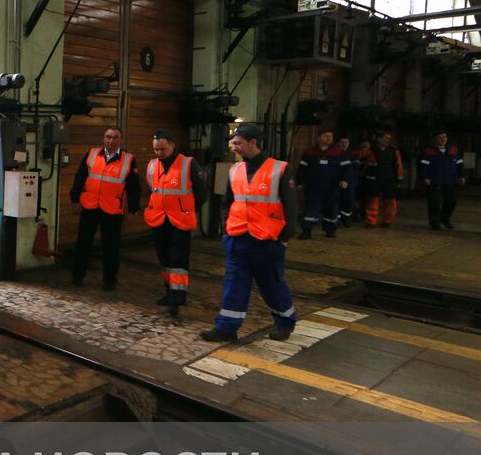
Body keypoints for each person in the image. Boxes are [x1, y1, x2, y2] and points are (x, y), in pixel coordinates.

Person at [203, 123, 300, 343]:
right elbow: (227, 202)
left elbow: (291, 207)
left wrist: (284, 239)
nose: (234, 148)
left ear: (253, 142)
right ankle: (226, 328)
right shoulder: (235, 170)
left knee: (271, 284)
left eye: (238, 143)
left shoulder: (280, 169)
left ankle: (285, 322)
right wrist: (227, 227)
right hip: (238, 238)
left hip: (268, 240)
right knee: (234, 283)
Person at [143, 130, 208, 317]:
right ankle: (169, 291)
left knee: (178, 260)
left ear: (172, 145)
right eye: (156, 149)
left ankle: (177, 299)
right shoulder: (152, 166)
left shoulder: (188, 164)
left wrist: (186, 210)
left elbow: (202, 194)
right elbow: (153, 190)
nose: (159, 153)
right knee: (164, 258)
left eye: (162, 149)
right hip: (159, 219)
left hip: (180, 220)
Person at [68, 125, 140, 291]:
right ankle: (78, 275)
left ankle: (109, 280)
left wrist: (133, 210)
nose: (111, 140)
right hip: (90, 206)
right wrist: (75, 200)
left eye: (115, 137)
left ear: (120, 140)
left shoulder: (128, 160)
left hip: (112, 209)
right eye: (108, 137)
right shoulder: (92, 154)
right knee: (83, 243)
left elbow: (134, 187)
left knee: (111, 246)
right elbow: (79, 178)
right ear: (103, 138)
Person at [297, 129, 349, 239]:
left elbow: (347, 168)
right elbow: (302, 169)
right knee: (311, 208)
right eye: (326, 136)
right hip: (314, 186)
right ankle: (307, 230)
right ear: (319, 137)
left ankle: (330, 229)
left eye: (331, 136)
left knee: (331, 208)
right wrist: (300, 182)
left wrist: (345, 180)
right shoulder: (309, 152)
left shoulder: (339, 152)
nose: (329, 138)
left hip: (332, 186)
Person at [419, 130, 464, 231]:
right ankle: (435, 223)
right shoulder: (428, 151)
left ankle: (445, 218)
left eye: (445, 137)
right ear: (435, 139)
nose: (443, 139)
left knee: (452, 201)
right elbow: (423, 166)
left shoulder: (453, 150)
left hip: (450, 180)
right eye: (440, 137)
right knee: (434, 202)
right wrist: (425, 177)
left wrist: (461, 176)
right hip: (434, 181)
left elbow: (459, 164)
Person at [364, 131, 403, 228]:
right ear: (379, 139)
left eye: (389, 138)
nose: (388, 140)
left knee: (390, 201)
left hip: (388, 179)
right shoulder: (370, 150)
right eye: (386, 138)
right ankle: (371, 221)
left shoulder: (394, 150)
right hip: (373, 179)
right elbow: (363, 162)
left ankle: (388, 221)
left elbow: (398, 165)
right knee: (372, 200)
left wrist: (399, 179)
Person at [337, 137, 360, 227]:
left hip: (350, 181)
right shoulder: (335, 153)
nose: (344, 144)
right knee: (337, 200)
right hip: (337, 181)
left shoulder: (353, 154)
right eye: (342, 142)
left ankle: (346, 217)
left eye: (346, 142)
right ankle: (338, 218)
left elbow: (355, 168)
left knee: (349, 200)